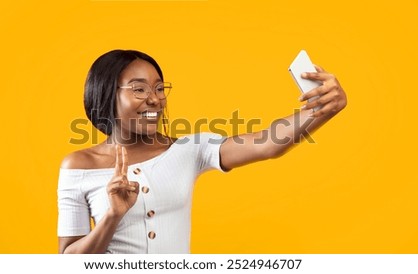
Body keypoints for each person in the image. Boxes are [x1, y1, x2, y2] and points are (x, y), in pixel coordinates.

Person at [57, 49, 347, 254]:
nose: (155, 99)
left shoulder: (187, 150)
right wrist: (112, 217)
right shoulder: (78, 165)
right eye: (140, 89)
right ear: (106, 93)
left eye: (160, 89)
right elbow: (69, 259)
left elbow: (268, 143)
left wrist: (322, 109)